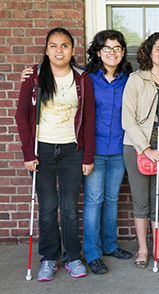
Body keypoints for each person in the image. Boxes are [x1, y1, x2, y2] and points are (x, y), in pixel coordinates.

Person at [15, 27, 95, 281]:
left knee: (70, 207)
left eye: (64, 46)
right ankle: (49, 258)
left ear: (72, 50)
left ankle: (72, 257)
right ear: (46, 49)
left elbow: (90, 118)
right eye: (53, 45)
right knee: (48, 207)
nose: (58, 50)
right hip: (42, 151)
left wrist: (88, 156)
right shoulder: (34, 77)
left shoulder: (82, 78)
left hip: (73, 149)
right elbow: (21, 115)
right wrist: (29, 153)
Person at [122, 32, 159, 269]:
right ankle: (143, 249)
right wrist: (146, 148)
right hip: (137, 147)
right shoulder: (136, 80)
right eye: (158, 48)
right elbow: (127, 120)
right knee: (141, 202)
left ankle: (157, 247)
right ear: (149, 52)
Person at [82, 30, 134, 274]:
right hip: (93, 149)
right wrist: (31, 73)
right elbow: (54, 71)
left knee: (111, 200)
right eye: (107, 48)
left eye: (117, 48)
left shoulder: (130, 80)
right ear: (98, 51)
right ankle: (92, 253)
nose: (112, 52)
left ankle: (109, 245)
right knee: (94, 201)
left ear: (122, 52)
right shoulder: (86, 78)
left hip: (120, 149)